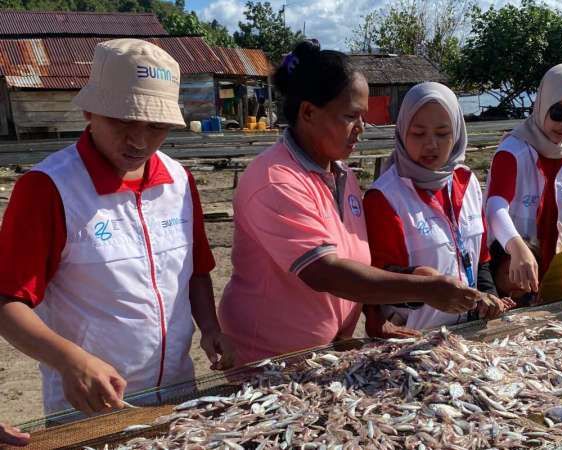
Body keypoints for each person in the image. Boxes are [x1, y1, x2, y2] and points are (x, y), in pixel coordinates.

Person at [0, 39, 232, 416]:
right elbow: (7, 301)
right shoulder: (48, 189)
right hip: (90, 404)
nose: (139, 141)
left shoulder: (178, 181)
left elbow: (196, 271)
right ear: (90, 111)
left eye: (156, 126)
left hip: (178, 394)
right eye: (123, 120)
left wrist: (210, 326)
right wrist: (69, 360)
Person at [218, 40, 483, 366]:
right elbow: (326, 272)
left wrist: (389, 297)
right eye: (351, 116)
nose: (361, 128)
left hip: (325, 354)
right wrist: (424, 289)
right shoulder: (276, 180)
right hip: (271, 359)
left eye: (363, 116)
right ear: (309, 112)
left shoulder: (342, 175)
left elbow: (354, 259)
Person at [362, 82, 514, 335]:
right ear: (402, 132)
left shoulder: (467, 182)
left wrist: (487, 297)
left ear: (457, 133)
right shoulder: (384, 197)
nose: (431, 144)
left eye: (443, 133)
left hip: (470, 332)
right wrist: (422, 282)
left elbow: (481, 259)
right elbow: (376, 277)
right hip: (414, 338)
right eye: (418, 133)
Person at [485, 63, 562, 295]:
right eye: (558, 112)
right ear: (543, 104)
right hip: (512, 266)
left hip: (557, 265)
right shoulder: (513, 151)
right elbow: (495, 206)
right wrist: (516, 246)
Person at [489, 240, 540, 308]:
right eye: (511, 273)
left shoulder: (536, 298)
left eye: (527, 273)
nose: (520, 282)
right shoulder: (484, 303)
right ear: (494, 272)